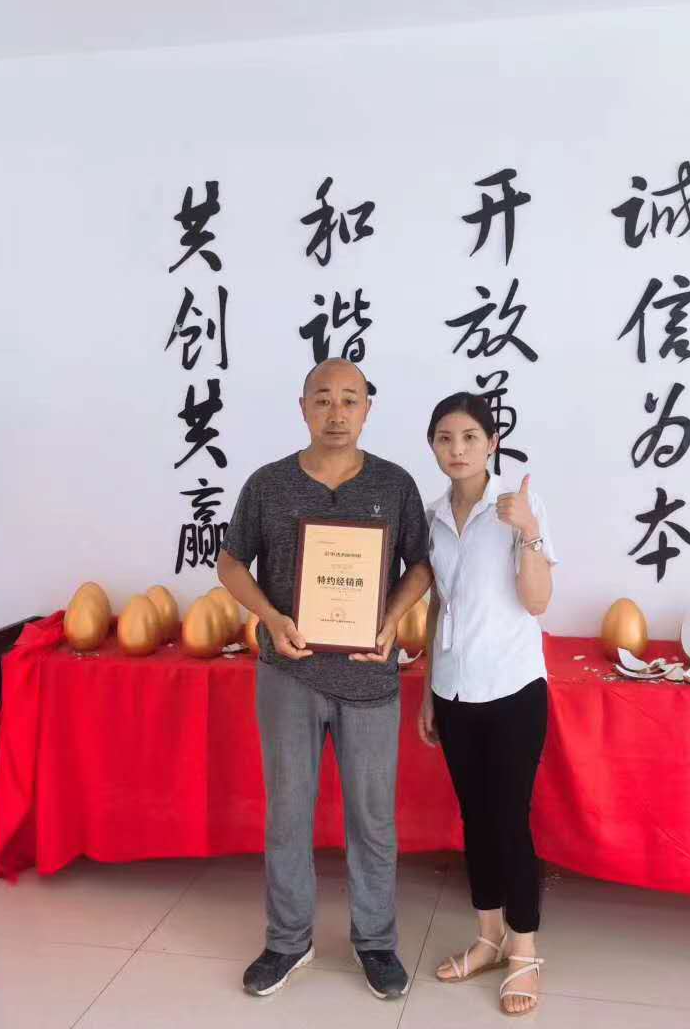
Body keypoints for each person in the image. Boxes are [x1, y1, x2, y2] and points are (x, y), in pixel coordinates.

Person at [217, 358, 433, 1000]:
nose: (336, 413)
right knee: (288, 812)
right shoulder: (269, 484)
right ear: (303, 406)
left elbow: (421, 566)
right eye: (323, 399)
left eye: (349, 400)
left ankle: (376, 942)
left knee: (373, 818)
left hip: (370, 681)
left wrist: (392, 619)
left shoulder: (394, 484)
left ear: (368, 408)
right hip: (289, 673)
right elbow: (231, 563)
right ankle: (287, 940)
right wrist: (270, 617)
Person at [417, 391, 556, 1017]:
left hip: (513, 689)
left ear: (492, 443)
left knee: (509, 820)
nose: (458, 449)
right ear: (433, 446)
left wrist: (528, 531)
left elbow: (537, 600)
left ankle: (524, 950)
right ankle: (489, 937)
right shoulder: (432, 516)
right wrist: (429, 688)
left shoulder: (519, 507)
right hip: (454, 690)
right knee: (474, 819)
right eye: (445, 438)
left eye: (470, 437)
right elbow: (438, 605)